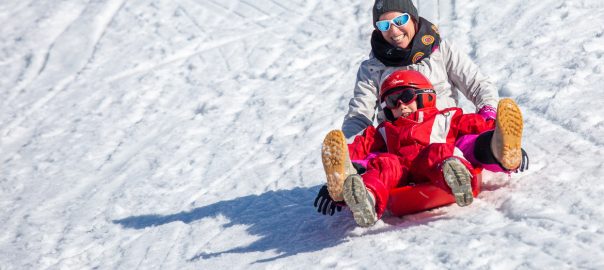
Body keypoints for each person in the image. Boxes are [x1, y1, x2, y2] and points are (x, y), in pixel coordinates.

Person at [314, 70, 527, 227]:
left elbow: (478, 126)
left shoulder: (446, 117)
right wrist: (341, 176)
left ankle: (463, 174)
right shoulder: (384, 130)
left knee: (440, 152)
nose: (401, 105)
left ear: (425, 95)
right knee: (384, 164)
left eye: (406, 96)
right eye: (392, 101)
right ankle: (366, 199)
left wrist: (498, 139)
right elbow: (357, 150)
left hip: (436, 166)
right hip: (402, 176)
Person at [342, 0, 501, 161]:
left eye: (400, 21)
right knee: (376, 162)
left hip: (446, 135)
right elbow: (359, 114)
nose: (394, 31)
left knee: (473, 145)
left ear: (413, 18)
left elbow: (478, 85)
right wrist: (348, 150)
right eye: (384, 25)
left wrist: (488, 112)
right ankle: (350, 178)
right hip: (398, 145)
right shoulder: (373, 68)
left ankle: (501, 151)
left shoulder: (442, 50)